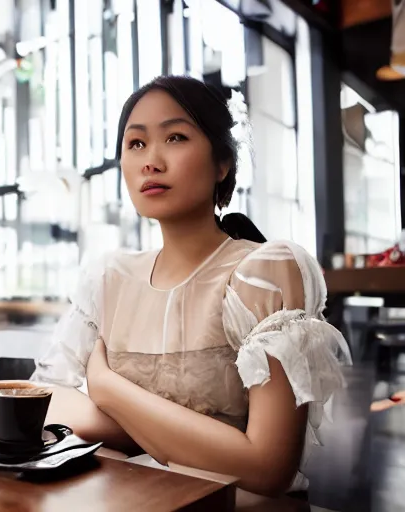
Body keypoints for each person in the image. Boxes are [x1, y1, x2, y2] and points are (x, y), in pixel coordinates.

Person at [30, 75, 352, 497]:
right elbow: (39, 401)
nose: (151, 161)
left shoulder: (262, 273)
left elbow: (267, 467)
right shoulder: (108, 277)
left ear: (222, 163)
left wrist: (108, 390)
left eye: (176, 137)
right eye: (136, 144)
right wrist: (189, 438)